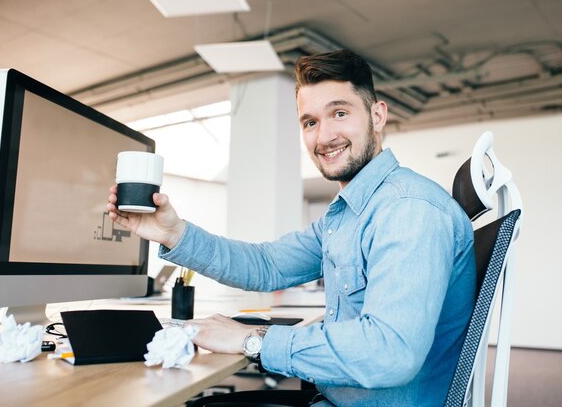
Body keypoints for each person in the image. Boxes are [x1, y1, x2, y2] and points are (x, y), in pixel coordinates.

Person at [107, 49, 476, 407]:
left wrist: (253, 339)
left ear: (377, 115)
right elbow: (266, 264)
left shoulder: (408, 210)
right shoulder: (348, 214)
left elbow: (389, 353)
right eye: (310, 122)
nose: (323, 136)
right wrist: (174, 233)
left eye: (340, 113)